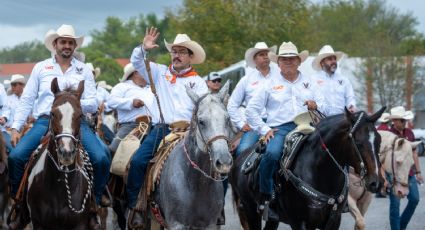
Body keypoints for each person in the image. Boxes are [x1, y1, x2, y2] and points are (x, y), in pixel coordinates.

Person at [7, 24, 110, 228]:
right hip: (46, 120)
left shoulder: (83, 69)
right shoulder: (41, 67)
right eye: (63, 42)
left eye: (71, 42)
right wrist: (16, 127)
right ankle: (20, 204)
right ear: (55, 44)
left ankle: (94, 204)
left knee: (102, 157)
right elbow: (27, 99)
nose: (67, 46)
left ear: (74, 46)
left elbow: (92, 99)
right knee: (16, 157)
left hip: (75, 121)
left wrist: (70, 101)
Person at [128, 27, 208, 227]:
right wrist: (143, 48)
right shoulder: (159, 72)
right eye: (174, 51)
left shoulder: (198, 82)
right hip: (162, 129)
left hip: (191, 132)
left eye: (182, 52)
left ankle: (215, 207)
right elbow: (137, 62)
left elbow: (205, 110)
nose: (177, 55)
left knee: (217, 162)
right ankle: (135, 207)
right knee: (137, 161)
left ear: (190, 57)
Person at [246, 41, 325, 216]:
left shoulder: (309, 82)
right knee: (272, 154)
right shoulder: (269, 84)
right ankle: (266, 196)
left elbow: (326, 106)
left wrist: (316, 104)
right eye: (284, 59)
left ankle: (336, 196)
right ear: (278, 62)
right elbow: (251, 110)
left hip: (309, 125)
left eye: (292, 59)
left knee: (332, 149)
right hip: (280, 127)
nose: (288, 62)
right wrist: (264, 129)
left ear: (299, 61)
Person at [227, 42, 277, 157]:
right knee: (242, 151)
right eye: (261, 54)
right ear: (254, 59)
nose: (265, 56)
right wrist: (240, 124)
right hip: (254, 123)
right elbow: (232, 105)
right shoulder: (246, 80)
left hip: (277, 121)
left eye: (267, 54)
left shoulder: (280, 75)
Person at [108, 63, 158, 153]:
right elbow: (111, 102)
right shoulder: (122, 87)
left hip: (154, 126)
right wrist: (131, 102)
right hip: (130, 126)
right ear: (136, 73)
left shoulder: (151, 89)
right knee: (113, 150)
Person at [387, 106, 423, 230]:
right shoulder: (389, 134)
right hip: (394, 175)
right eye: (402, 120)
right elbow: (382, 157)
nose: (405, 123)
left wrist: (418, 172)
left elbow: (414, 153)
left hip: (410, 173)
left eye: (405, 120)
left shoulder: (409, 133)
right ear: (395, 121)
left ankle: (401, 226)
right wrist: (384, 177)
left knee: (414, 199)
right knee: (395, 206)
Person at [311, 45, 356, 115]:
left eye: (334, 59)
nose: (334, 61)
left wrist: (351, 106)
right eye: (330, 59)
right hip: (322, 121)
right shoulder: (313, 80)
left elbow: (350, 97)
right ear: (322, 63)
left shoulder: (344, 79)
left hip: (342, 120)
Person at [1, 74, 27, 154]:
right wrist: (4, 119)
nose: (12, 87)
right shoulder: (7, 99)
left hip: (25, 130)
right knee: (14, 151)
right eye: (12, 84)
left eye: (14, 84)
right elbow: (5, 112)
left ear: (22, 85)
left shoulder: (28, 99)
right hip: (8, 130)